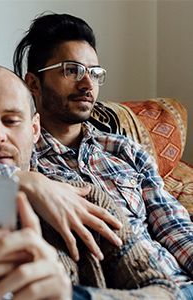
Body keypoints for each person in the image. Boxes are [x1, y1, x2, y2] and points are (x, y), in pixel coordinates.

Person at [0, 64, 184, 299]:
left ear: (34, 129)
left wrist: (73, 296)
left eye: (11, 120)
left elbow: (164, 290)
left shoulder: (84, 199)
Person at [12, 12, 193, 299]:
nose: (87, 85)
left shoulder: (124, 149)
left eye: (94, 73)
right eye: (72, 70)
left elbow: (173, 225)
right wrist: (21, 180)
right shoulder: (19, 158)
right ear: (33, 84)